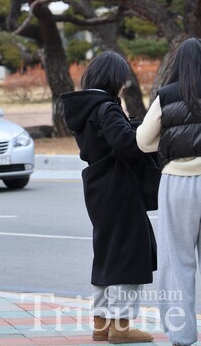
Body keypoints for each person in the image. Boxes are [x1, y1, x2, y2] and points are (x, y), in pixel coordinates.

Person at [61, 51, 156, 344]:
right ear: (114, 79)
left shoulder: (85, 109)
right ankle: (122, 326)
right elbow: (127, 147)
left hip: (98, 189)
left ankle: (101, 323)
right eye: (123, 79)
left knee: (106, 252)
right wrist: (138, 131)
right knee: (131, 253)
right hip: (120, 188)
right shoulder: (108, 109)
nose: (124, 85)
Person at [136, 37, 201, 346]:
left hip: (177, 182)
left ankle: (182, 334)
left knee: (176, 261)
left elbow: (144, 141)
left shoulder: (166, 95)